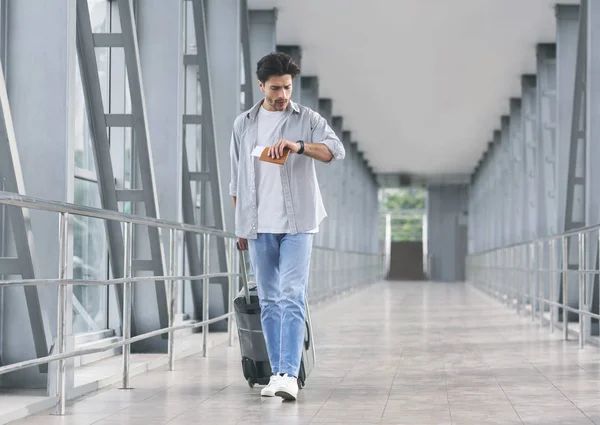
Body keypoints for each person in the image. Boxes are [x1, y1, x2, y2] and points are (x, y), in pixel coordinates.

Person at [229, 52, 345, 401]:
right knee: (269, 300)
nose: (282, 95)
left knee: (291, 295)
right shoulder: (243, 124)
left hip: (299, 223)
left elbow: (334, 151)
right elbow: (236, 181)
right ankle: (276, 372)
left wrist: (298, 146)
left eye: (288, 87)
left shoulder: (306, 118)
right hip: (259, 225)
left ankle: (288, 375)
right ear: (261, 85)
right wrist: (241, 227)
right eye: (276, 88)